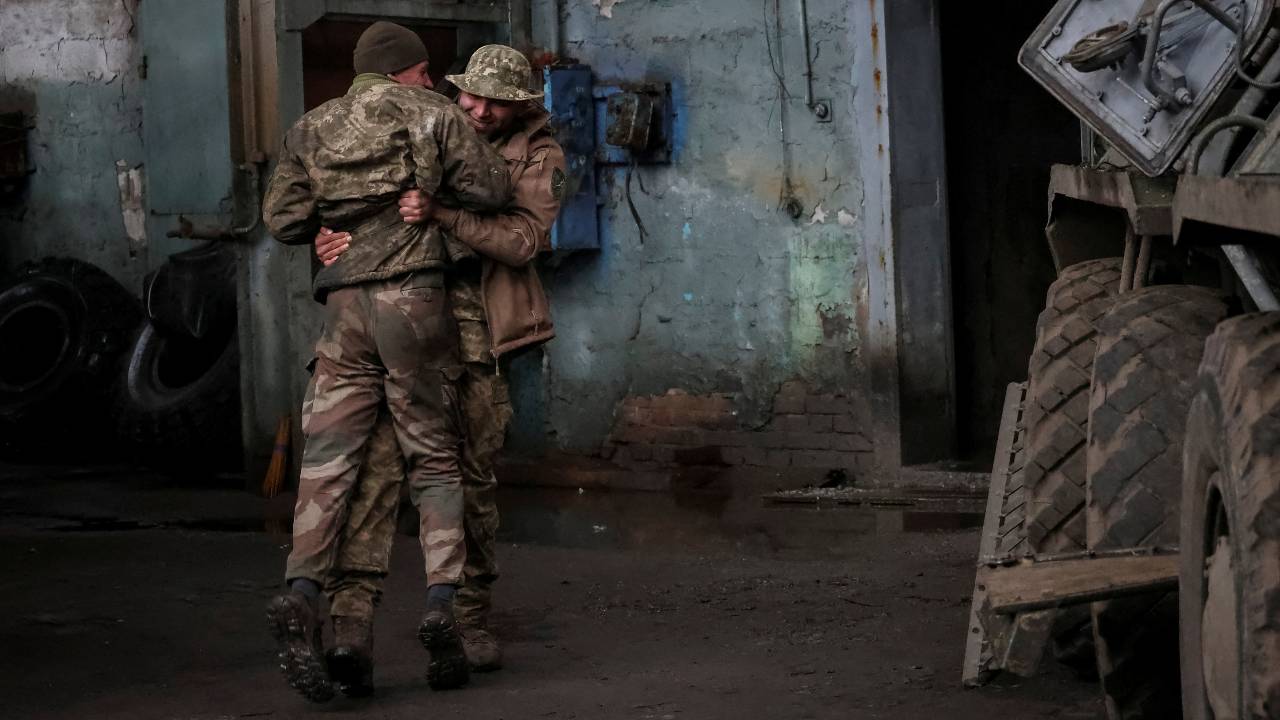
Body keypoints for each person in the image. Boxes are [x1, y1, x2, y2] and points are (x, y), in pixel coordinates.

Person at [260, 22, 513, 702]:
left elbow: (281, 218)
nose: (433, 85)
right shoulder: (431, 114)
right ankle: (440, 604)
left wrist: (323, 230)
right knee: (433, 455)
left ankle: (302, 588)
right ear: (408, 71)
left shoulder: (312, 125)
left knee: (329, 458)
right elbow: (491, 188)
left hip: (344, 309)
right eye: (427, 73)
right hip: (414, 302)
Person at [312, 43, 565, 695]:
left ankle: (467, 621)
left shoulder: (539, 156)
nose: (476, 110)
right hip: (396, 322)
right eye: (469, 95)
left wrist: (445, 214)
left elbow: (523, 241)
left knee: (473, 479)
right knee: (376, 475)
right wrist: (327, 234)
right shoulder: (418, 125)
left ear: (519, 107)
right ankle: (348, 631)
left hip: (481, 333)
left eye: (492, 103)